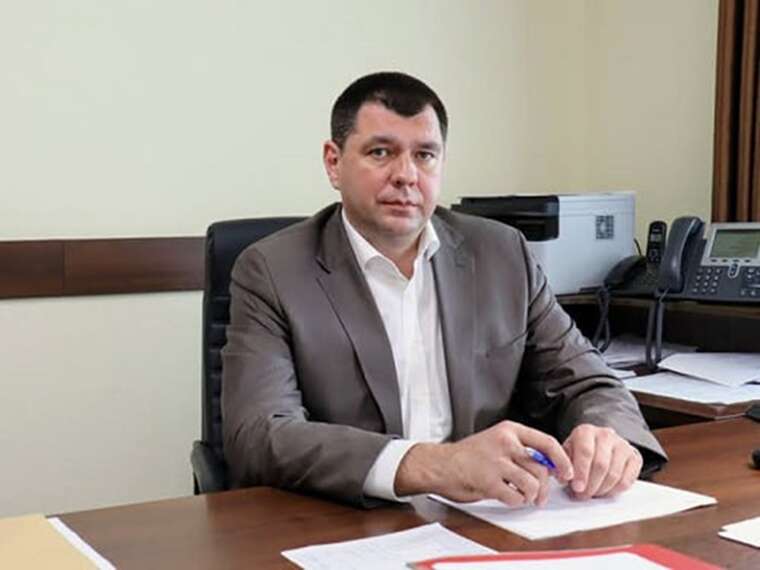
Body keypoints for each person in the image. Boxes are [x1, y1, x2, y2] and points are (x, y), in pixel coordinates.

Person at [221, 71, 666, 508]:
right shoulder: (273, 271)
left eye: (425, 155)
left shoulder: (502, 254)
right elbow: (260, 434)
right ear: (333, 163)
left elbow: (589, 382)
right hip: (345, 518)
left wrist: (607, 437)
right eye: (380, 152)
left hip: (486, 518)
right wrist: (434, 465)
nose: (406, 175)